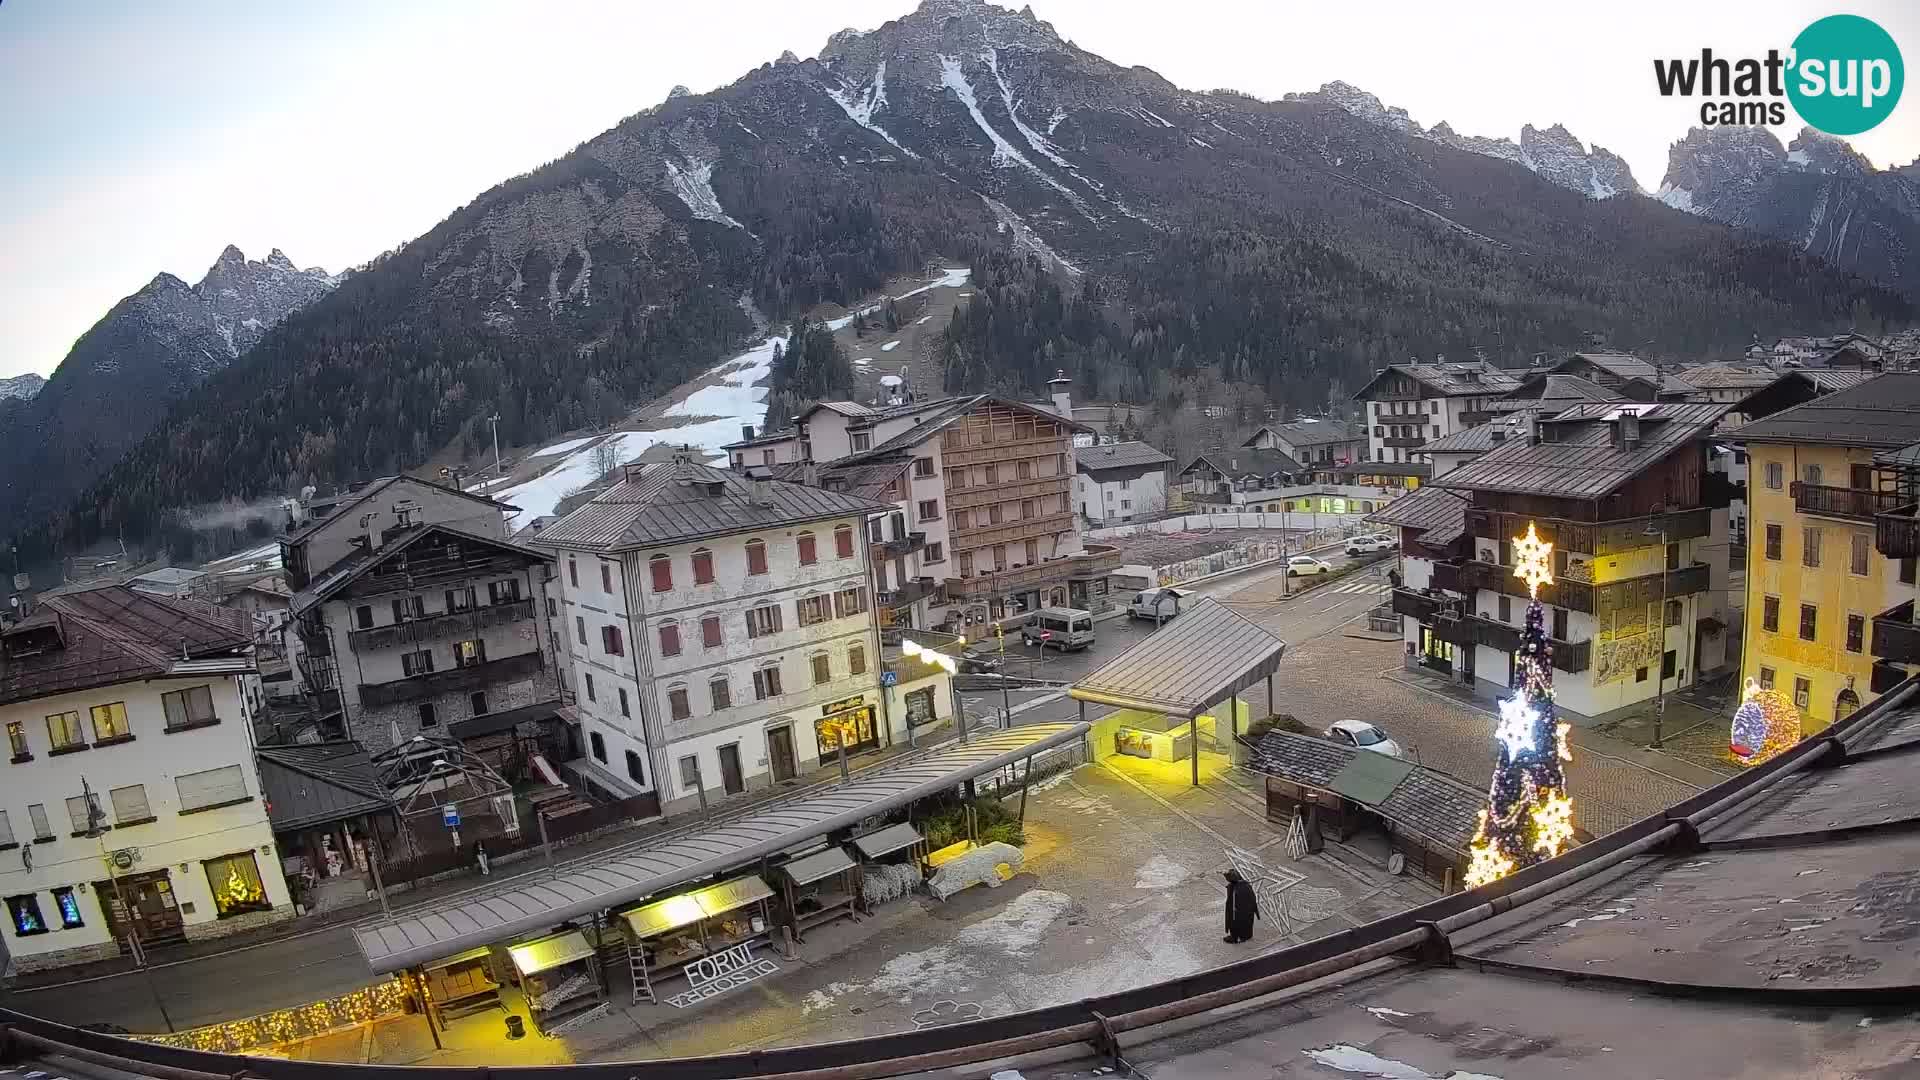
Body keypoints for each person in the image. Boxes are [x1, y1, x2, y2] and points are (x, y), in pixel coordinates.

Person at [1223, 868, 1258, 943]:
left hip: (1237, 912)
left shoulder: (1232, 888)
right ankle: (1248, 935)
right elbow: (1253, 898)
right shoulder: (1247, 885)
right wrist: (1255, 910)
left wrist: (1228, 920)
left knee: (1235, 921)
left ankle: (1235, 938)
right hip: (1248, 911)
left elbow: (1230, 906)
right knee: (1248, 921)